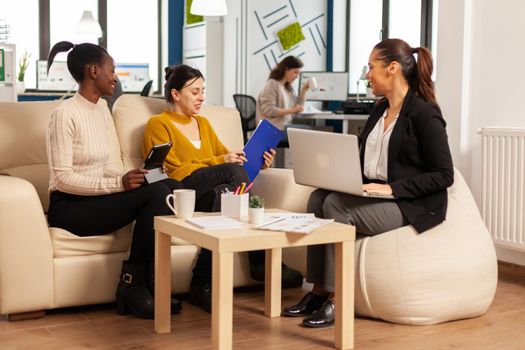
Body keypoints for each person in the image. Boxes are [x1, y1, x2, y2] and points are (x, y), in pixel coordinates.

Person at [282, 38, 454, 328]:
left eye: (371, 67)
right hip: (376, 194)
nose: (366, 74)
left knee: (337, 205)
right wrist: (341, 177)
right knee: (318, 198)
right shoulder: (379, 110)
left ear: (392, 68)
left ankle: (337, 299)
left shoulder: (424, 113)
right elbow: (362, 160)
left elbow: (443, 174)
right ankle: (319, 290)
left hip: (410, 203)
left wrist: (392, 189)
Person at [142, 64, 304, 313]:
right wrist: (223, 161)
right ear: (175, 94)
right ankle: (259, 259)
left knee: (227, 193)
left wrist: (258, 162)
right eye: (195, 92)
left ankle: (202, 282)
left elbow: (227, 160)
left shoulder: (203, 124)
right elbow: (174, 171)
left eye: (203, 91)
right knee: (234, 177)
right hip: (182, 191)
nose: (202, 97)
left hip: (210, 194)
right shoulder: (158, 124)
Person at [46, 41, 183, 320]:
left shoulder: (102, 111)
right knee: (156, 196)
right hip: (70, 207)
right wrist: (116, 185)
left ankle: (151, 282)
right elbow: (62, 179)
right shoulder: (64, 114)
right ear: (94, 71)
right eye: (112, 70)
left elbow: (108, 166)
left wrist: (133, 177)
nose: (116, 77)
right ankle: (132, 285)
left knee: (168, 187)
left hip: (99, 199)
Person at [256, 55, 312, 130]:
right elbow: (268, 110)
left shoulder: (288, 88)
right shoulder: (272, 84)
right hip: (272, 129)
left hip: (284, 126)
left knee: (309, 129)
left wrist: (303, 91)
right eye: (295, 72)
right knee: (307, 131)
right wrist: (292, 110)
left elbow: (297, 108)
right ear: (286, 69)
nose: (297, 76)